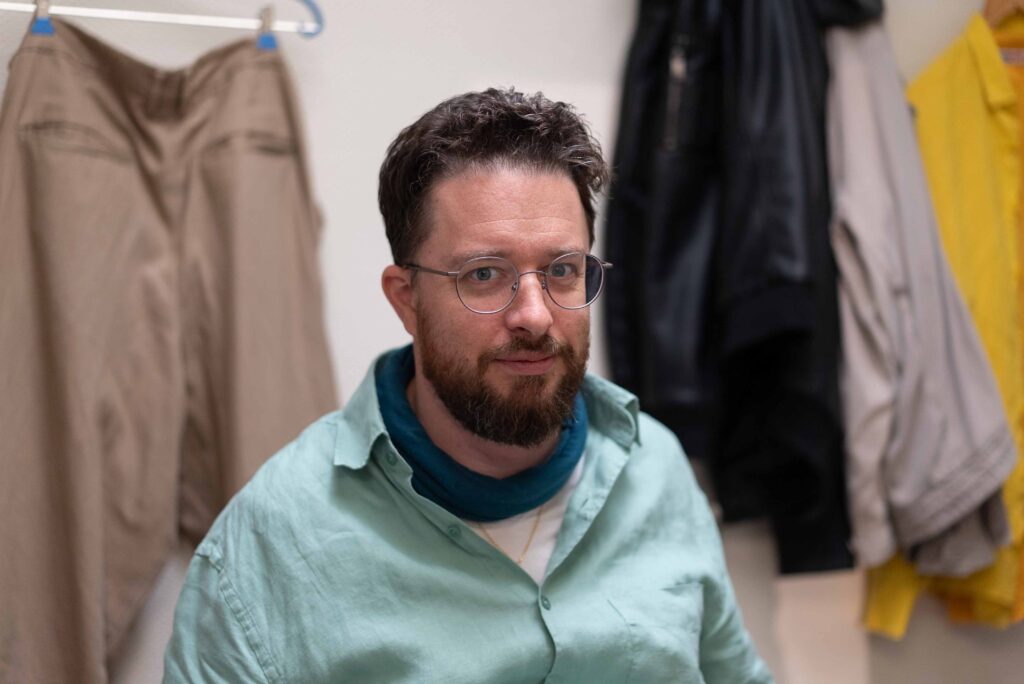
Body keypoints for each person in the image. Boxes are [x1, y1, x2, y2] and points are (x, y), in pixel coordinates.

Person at [163, 87, 773, 683]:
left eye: (563, 269)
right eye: (484, 274)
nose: (534, 316)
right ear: (406, 299)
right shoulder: (270, 542)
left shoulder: (655, 468)